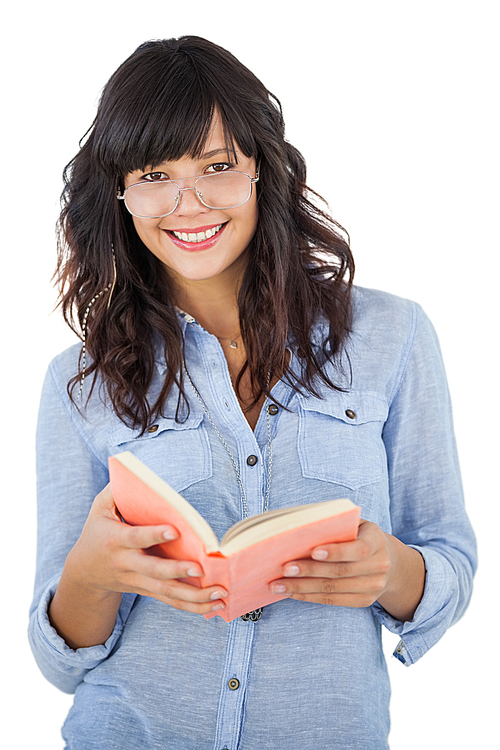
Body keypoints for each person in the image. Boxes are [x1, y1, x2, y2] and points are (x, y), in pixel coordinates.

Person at [29, 36, 476, 749]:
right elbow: (59, 655)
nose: (189, 202)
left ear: (261, 170)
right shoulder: (78, 382)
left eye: (217, 166)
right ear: (119, 191)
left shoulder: (394, 336)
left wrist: (389, 569)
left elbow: (450, 563)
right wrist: (89, 572)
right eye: (154, 173)